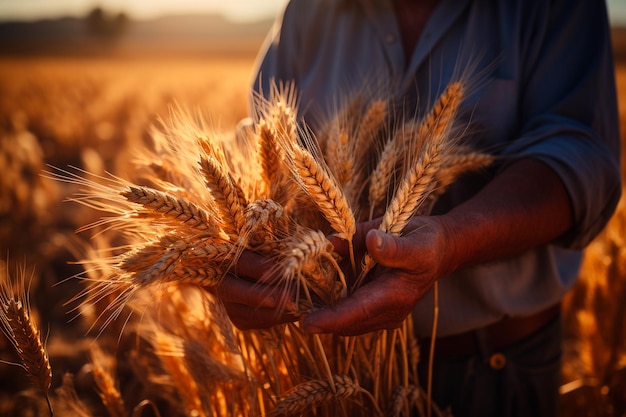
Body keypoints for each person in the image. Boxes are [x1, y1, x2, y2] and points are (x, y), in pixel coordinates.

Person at [217, 0, 622, 416]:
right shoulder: (307, 10)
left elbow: (579, 158)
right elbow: (265, 151)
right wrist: (242, 255)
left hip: (495, 371)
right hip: (330, 366)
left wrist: (452, 242)